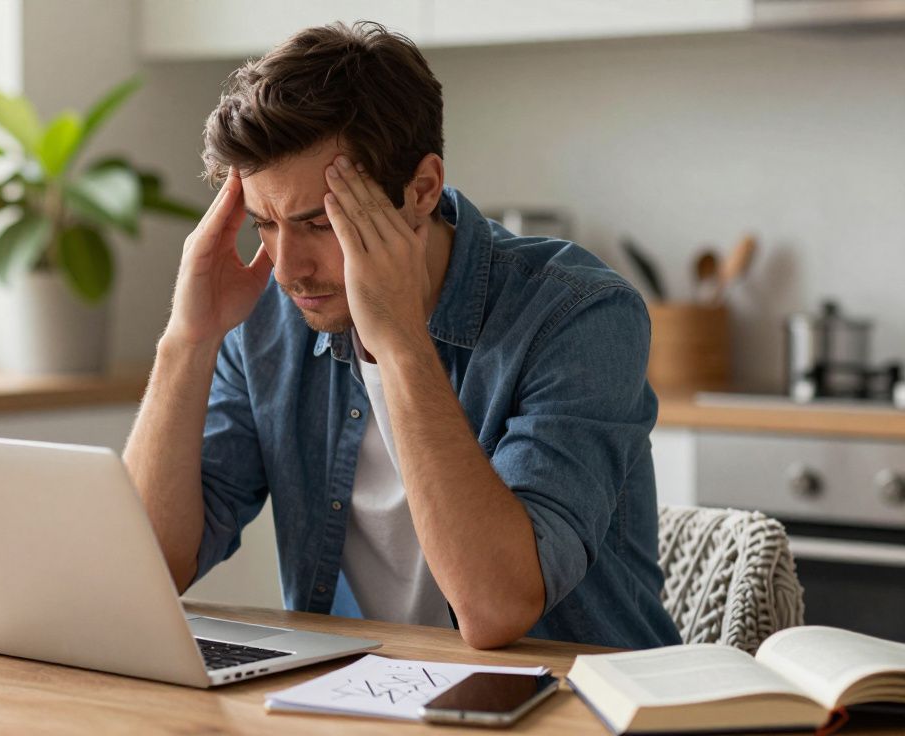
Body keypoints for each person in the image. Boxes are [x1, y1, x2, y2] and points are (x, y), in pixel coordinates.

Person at [123, 21, 681, 650]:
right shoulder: (269, 315)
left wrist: (398, 344)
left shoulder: (577, 314)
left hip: (575, 704)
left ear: (421, 190)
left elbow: (496, 606)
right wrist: (187, 339)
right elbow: (149, 569)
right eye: (264, 225)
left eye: (317, 224)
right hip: (356, 701)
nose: (287, 268)